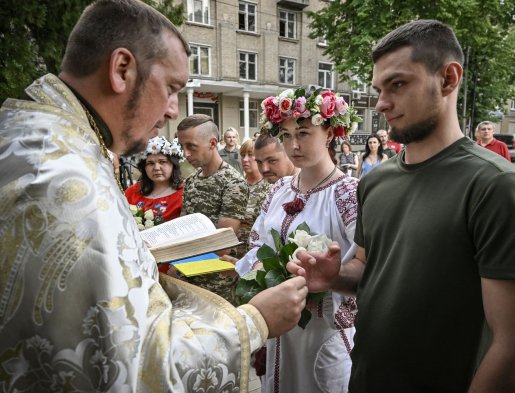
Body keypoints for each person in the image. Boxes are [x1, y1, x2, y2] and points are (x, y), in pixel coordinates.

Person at [0, 1, 309, 391]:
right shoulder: (65, 181)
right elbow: (131, 367)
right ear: (122, 69)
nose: (171, 109)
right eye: (171, 88)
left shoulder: (40, 140)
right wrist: (255, 321)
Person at [287, 19, 515, 392]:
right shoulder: (376, 181)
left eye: (398, 84)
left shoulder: (497, 186)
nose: (381, 103)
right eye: (379, 88)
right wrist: (333, 278)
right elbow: (367, 266)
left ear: (448, 79)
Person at [235, 87, 360, 393]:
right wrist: (248, 273)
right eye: (286, 135)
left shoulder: (348, 194)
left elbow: (365, 264)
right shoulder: (278, 190)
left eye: (303, 133)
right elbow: (257, 246)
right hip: (280, 330)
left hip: (323, 333)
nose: (293, 144)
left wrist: (332, 278)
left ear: (329, 133)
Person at [177, 114, 248, 304]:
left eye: (191, 146)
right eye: (182, 147)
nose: (186, 154)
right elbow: (183, 228)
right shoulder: (191, 181)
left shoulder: (233, 182)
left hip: (218, 285)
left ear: (212, 143)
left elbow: (222, 243)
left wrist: (179, 257)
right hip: (188, 277)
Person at [125, 135, 184, 222]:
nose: (156, 168)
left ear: (173, 165)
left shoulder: (184, 193)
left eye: (162, 162)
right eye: (150, 163)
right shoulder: (131, 193)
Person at [237, 138, 271, 257]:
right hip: (232, 253)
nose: (245, 160)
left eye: (250, 155)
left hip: (255, 254)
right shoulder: (235, 185)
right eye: (242, 155)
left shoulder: (270, 188)